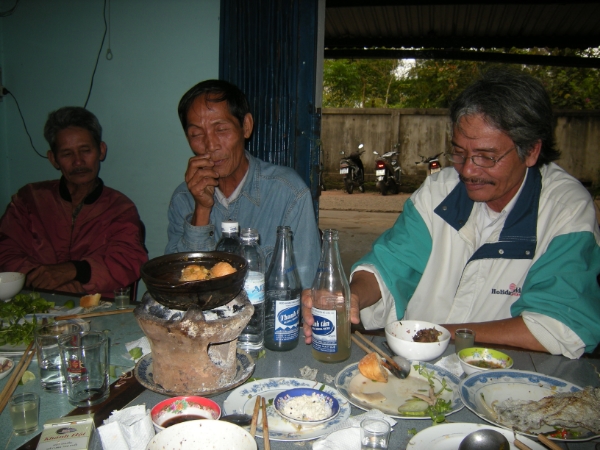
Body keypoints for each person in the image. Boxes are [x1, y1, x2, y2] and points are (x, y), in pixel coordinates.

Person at [302, 69, 600, 358]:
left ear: (532, 151)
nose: (468, 170)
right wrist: (348, 298)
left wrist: (436, 335)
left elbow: (560, 323)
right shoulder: (439, 192)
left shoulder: (564, 210)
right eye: (459, 153)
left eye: (486, 157)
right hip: (415, 366)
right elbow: (390, 264)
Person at [165, 79, 321, 288]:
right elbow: (180, 286)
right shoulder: (183, 198)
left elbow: (305, 286)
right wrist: (201, 210)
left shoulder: (289, 192)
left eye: (220, 129)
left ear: (245, 127)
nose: (210, 145)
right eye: (197, 134)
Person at [0, 107, 148, 297]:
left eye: (85, 150)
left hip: (94, 308)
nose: (78, 162)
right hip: (33, 302)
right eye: (67, 154)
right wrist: (45, 281)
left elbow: (129, 260)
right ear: (53, 159)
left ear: (101, 151)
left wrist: (74, 272)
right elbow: (6, 250)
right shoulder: (29, 200)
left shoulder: (120, 208)